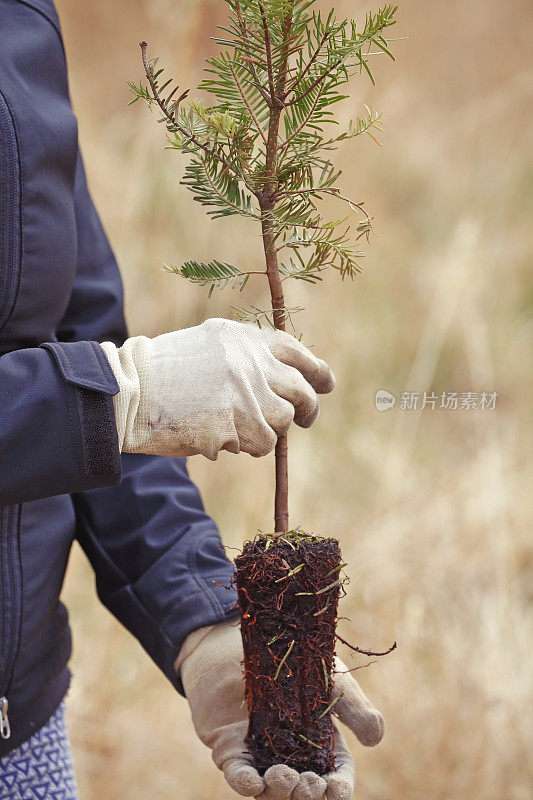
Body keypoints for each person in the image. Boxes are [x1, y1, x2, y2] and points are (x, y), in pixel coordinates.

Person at [0, 1, 385, 798]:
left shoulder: (20, 20)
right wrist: (117, 398)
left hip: (20, 720)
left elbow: (75, 339)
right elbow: (100, 395)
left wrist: (204, 621)